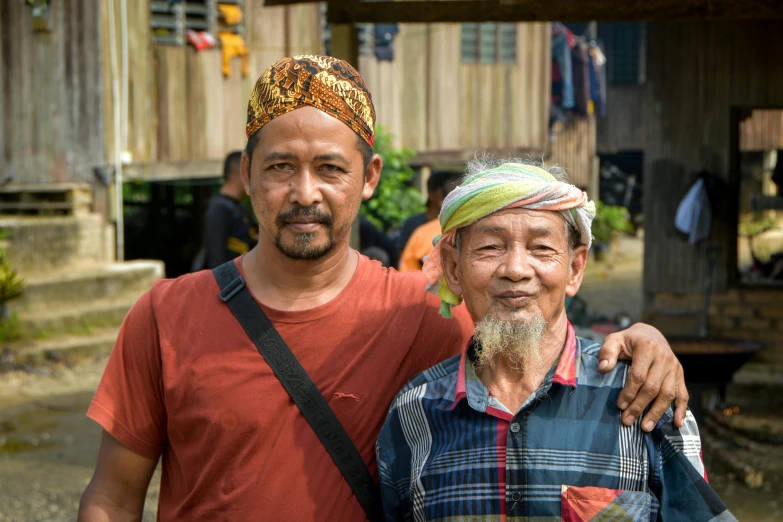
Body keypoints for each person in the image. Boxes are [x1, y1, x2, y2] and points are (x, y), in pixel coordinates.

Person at [78, 56, 688, 521]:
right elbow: (112, 494)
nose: (305, 193)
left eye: (330, 168)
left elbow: (536, 344)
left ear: (368, 178)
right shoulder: (165, 314)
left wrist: (643, 343)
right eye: (280, 166)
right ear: (248, 174)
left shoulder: (423, 317)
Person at [377, 158, 734, 522]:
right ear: (454, 270)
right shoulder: (413, 414)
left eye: (541, 248)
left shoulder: (643, 396)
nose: (515, 269)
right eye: (490, 248)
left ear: (575, 269)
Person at [193, 151, 259, 270]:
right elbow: (216, 257)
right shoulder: (219, 209)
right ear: (239, 173)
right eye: (250, 172)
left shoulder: (240, 208)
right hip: (225, 281)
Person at [396, 170, 461, 254]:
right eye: (449, 192)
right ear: (432, 194)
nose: (453, 198)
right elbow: (404, 259)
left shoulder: (460, 223)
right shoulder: (413, 226)